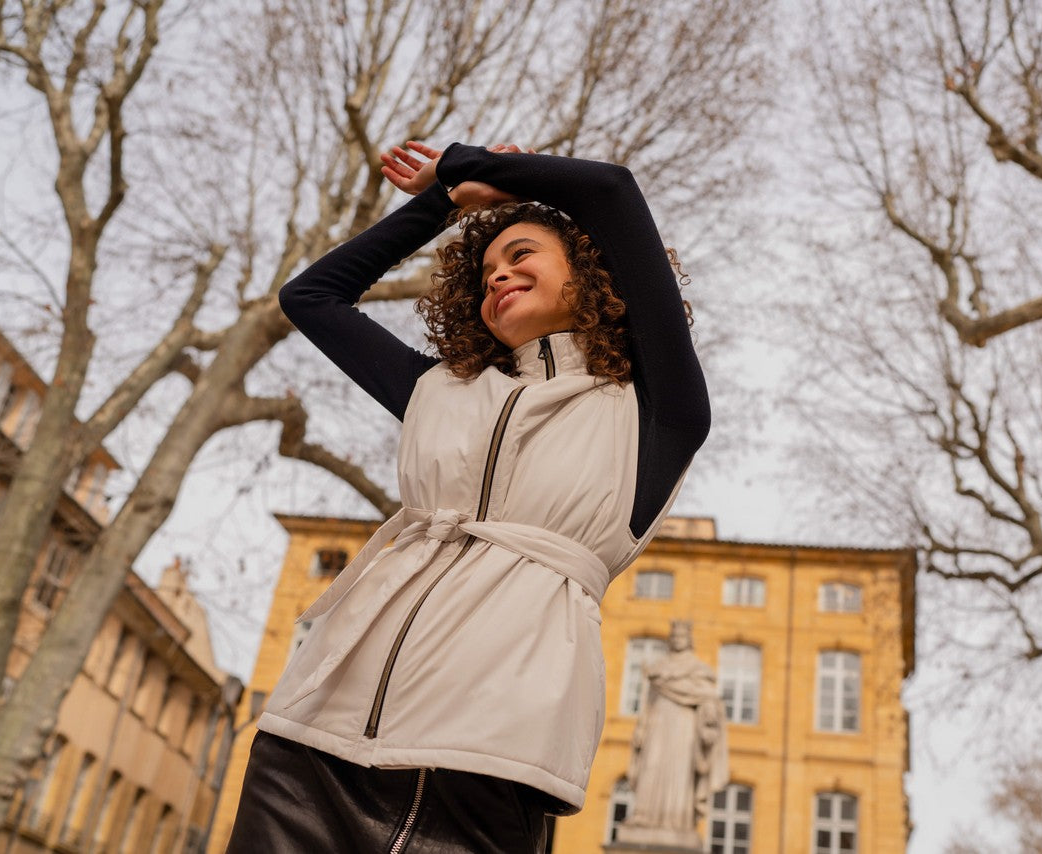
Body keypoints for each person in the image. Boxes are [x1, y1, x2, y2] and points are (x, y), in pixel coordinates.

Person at [225, 140, 709, 853]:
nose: (499, 276)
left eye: (521, 255)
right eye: (485, 272)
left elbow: (610, 191)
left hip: (484, 756)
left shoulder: (657, 412)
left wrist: (470, 168)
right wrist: (442, 204)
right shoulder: (437, 392)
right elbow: (311, 297)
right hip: (310, 741)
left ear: (595, 273)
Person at [622, 621, 728, 846]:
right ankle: (643, 816)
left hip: (683, 727)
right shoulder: (658, 668)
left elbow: (709, 699)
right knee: (650, 766)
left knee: (679, 773)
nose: (678, 638)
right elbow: (648, 703)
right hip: (657, 724)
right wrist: (641, 727)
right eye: (675, 634)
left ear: (689, 639)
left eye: (682, 635)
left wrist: (708, 727)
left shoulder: (698, 670)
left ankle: (677, 821)